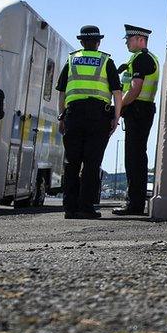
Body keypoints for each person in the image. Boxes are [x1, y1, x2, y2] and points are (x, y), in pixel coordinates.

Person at [56, 25, 122, 220]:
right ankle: (86, 208)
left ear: (81, 42)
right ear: (98, 42)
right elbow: (117, 93)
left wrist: (62, 116)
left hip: (73, 116)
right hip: (98, 118)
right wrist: (115, 118)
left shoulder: (71, 60)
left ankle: (69, 208)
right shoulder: (106, 61)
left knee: (72, 163)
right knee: (92, 164)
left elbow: (62, 91)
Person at [113, 24, 160, 216]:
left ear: (141, 39)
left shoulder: (142, 58)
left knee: (134, 158)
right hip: (142, 110)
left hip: (138, 110)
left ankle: (134, 204)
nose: (126, 43)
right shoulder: (144, 58)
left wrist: (119, 107)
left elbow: (135, 89)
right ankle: (135, 202)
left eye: (129, 39)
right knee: (136, 157)